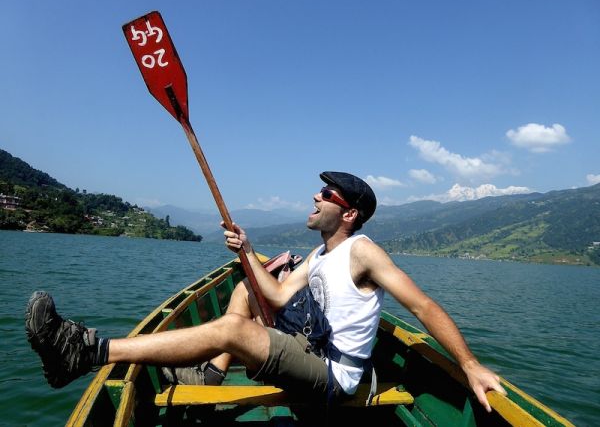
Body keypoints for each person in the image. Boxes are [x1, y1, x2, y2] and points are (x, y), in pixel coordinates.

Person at [26, 171, 506, 411]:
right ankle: (205, 374)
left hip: (337, 376)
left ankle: (88, 351)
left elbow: (422, 305)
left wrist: (468, 365)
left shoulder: (363, 252)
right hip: (307, 346)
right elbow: (274, 297)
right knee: (246, 296)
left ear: (350, 214)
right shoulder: (318, 256)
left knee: (234, 331)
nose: (316, 198)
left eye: (327, 196)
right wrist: (248, 250)